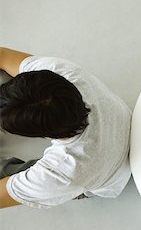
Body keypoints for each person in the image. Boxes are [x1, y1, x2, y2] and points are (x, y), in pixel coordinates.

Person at [0, 47, 131, 209]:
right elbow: (2, 55)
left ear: (39, 134)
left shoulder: (62, 173)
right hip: (116, 128)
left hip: (103, 178)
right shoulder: (65, 72)